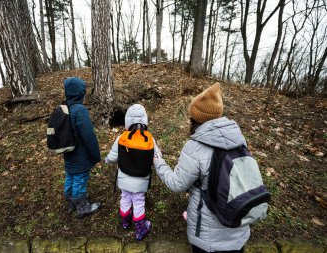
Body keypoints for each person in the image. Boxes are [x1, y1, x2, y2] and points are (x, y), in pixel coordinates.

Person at [153, 83, 249, 253]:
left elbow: (177, 184)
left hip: (208, 238)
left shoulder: (195, 147)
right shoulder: (239, 140)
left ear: (196, 118)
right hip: (238, 229)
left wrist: (158, 162)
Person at [105, 104, 158, 241]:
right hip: (142, 179)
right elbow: (157, 157)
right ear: (145, 121)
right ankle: (140, 228)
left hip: (123, 178)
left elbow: (112, 158)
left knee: (125, 197)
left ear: (127, 122)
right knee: (139, 201)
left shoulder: (121, 138)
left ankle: (125, 222)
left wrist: (107, 160)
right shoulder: (150, 139)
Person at [63, 77, 101, 218]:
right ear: (81, 93)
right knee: (80, 178)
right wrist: (96, 155)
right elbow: (88, 135)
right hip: (80, 155)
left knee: (70, 176)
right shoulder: (80, 110)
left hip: (68, 153)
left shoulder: (65, 108)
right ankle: (82, 206)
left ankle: (71, 200)